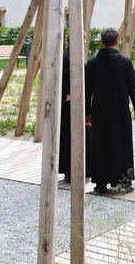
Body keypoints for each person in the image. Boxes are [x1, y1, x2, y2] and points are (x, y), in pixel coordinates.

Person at [86, 28, 135, 194]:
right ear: (117, 41)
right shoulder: (124, 62)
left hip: (100, 111)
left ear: (102, 42)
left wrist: (87, 113)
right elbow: (133, 88)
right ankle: (123, 181)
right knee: (121, 144)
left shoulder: (93, 63)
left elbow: (87, 90)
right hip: (120, 110)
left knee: (101, 144)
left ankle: (101, 183)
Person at [58, 44, 92, 182]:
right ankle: (70, 170)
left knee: (80, 135)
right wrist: (65, 96)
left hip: (78, 102)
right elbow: (58, 78)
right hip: (69, 106)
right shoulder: (66, 57)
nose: (84, 41)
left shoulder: (74, 55)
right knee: (70, 136)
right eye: (83, 38)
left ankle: (80, 168)